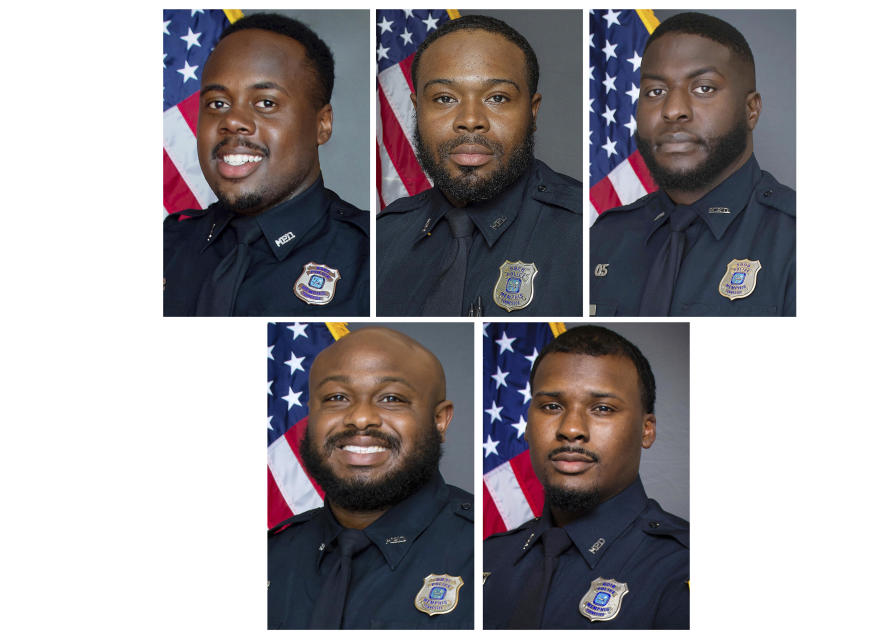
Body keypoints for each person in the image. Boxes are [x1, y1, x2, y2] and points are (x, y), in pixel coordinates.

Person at [483, 325, 688, 629]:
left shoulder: (684, 568)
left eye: (602, 408)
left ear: (647, 430)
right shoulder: (487, 557)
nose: (571, 428)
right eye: (551, 406)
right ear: (527, 425)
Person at [590, 12, 795, 316]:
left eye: (704, 88)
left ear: (750, 110)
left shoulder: (796, 239)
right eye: (655, 92)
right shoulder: (604, 238)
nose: (673, 110)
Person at [164, 13, 369, 316]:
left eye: (266, 103)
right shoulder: (166, 245)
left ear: (322, 125)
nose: (232, 121)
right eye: (217, 104)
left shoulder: (373, 257)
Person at [377, 14, 582, 316]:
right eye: (444, 98)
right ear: (416, 110)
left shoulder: (586, 232)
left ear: (532, 112)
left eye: (497, 97)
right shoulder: (382, 238)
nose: (470, 120)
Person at [268, 327, 473, 629]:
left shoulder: (485, 551)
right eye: (337, 397)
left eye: (391, 398)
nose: (360, 418)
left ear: (439, 419)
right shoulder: (271, 554)